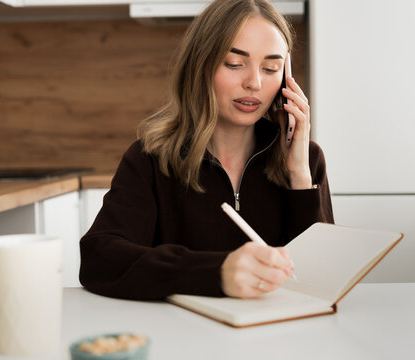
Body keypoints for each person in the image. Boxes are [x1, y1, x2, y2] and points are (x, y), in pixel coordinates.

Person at [79, 0, 334, 301]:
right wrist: (216, 272)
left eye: (270, 68)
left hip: (280, 340)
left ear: (285, 80)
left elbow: (323, 279)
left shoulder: (307, 160)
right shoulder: (150, 158)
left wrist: (299, 178)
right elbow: (100, 258)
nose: (254, 82)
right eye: (234, 64)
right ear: (200, 66)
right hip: (184, 340)